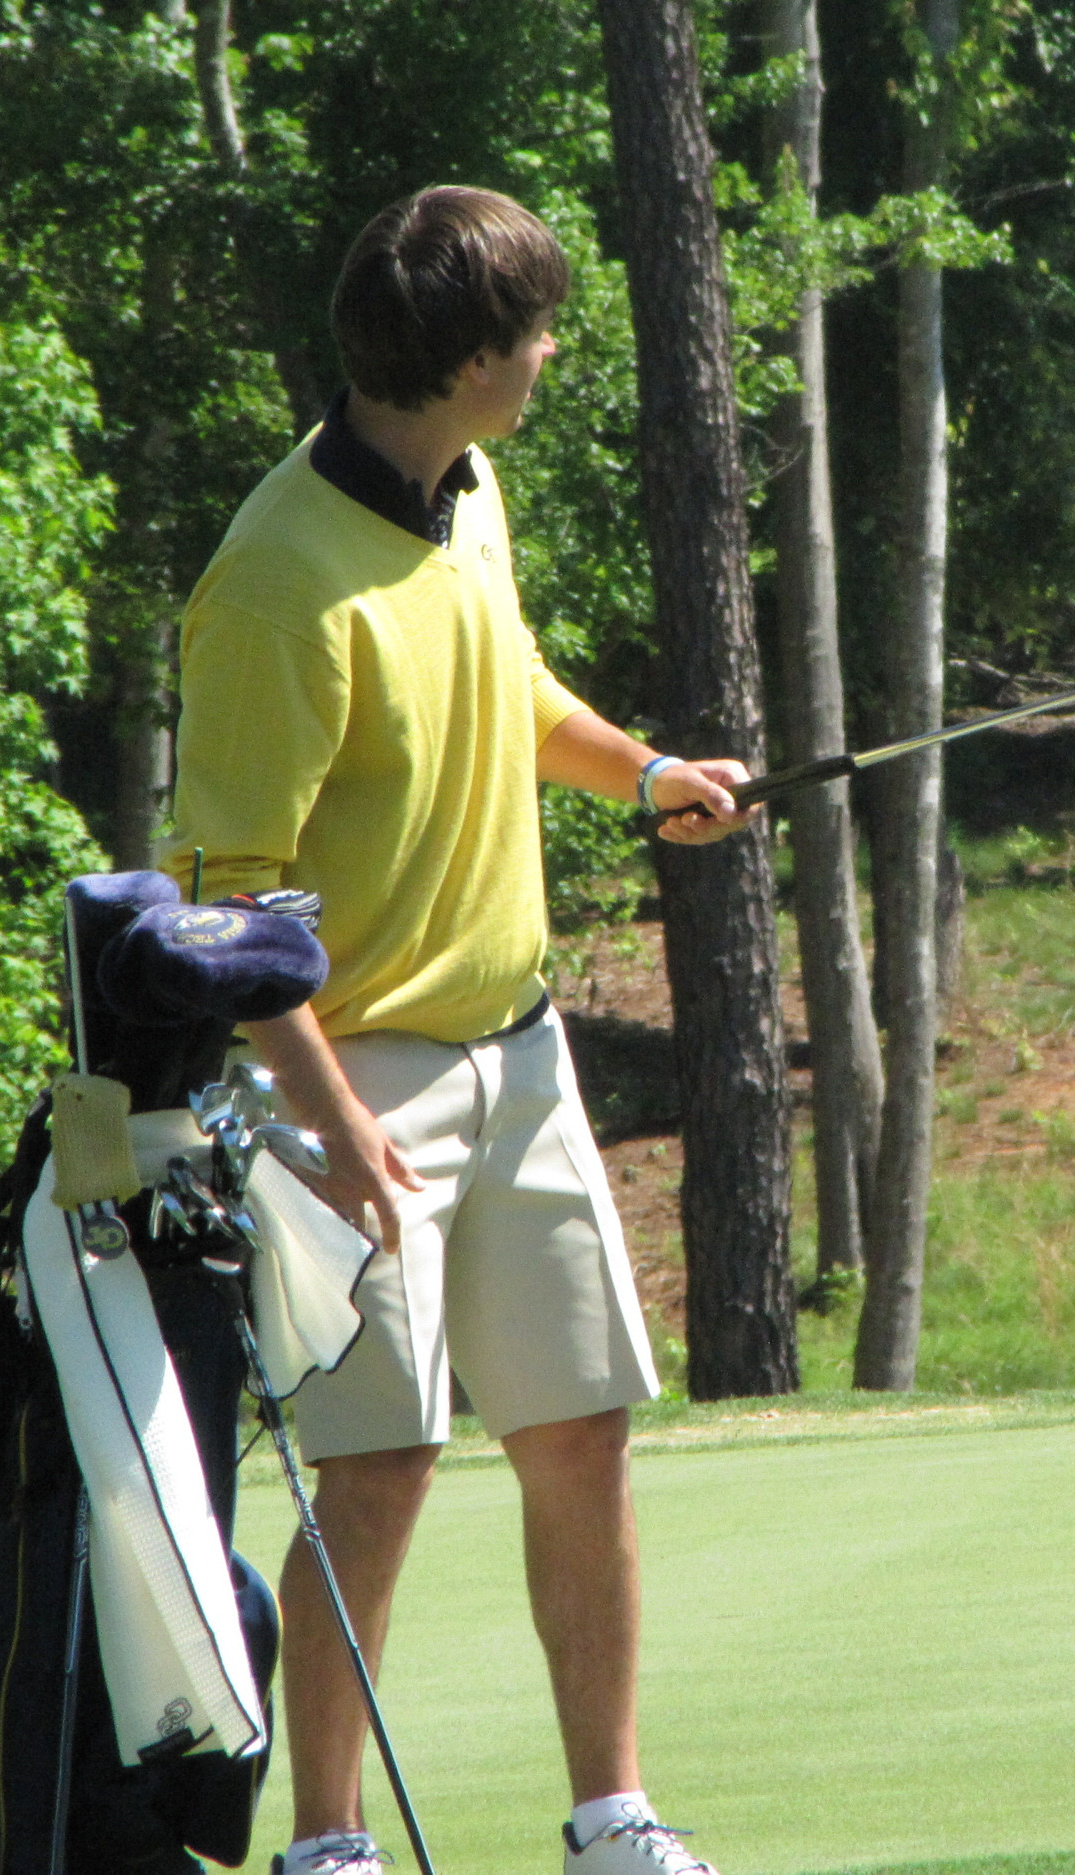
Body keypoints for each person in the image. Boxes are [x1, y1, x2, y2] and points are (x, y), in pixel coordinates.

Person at [166, 185, 751, 1875]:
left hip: (523, 1056)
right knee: (382, 1469)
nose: (554, 350)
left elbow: (520, 689)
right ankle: (331, 1847)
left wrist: (645, 775)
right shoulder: (279, 587)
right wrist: (338, 1131)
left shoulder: (465, 494)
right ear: (472, 358)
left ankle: (612, 1819)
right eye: (538, 330)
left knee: (577, 1433)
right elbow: (229, 910)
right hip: (348, 1084)